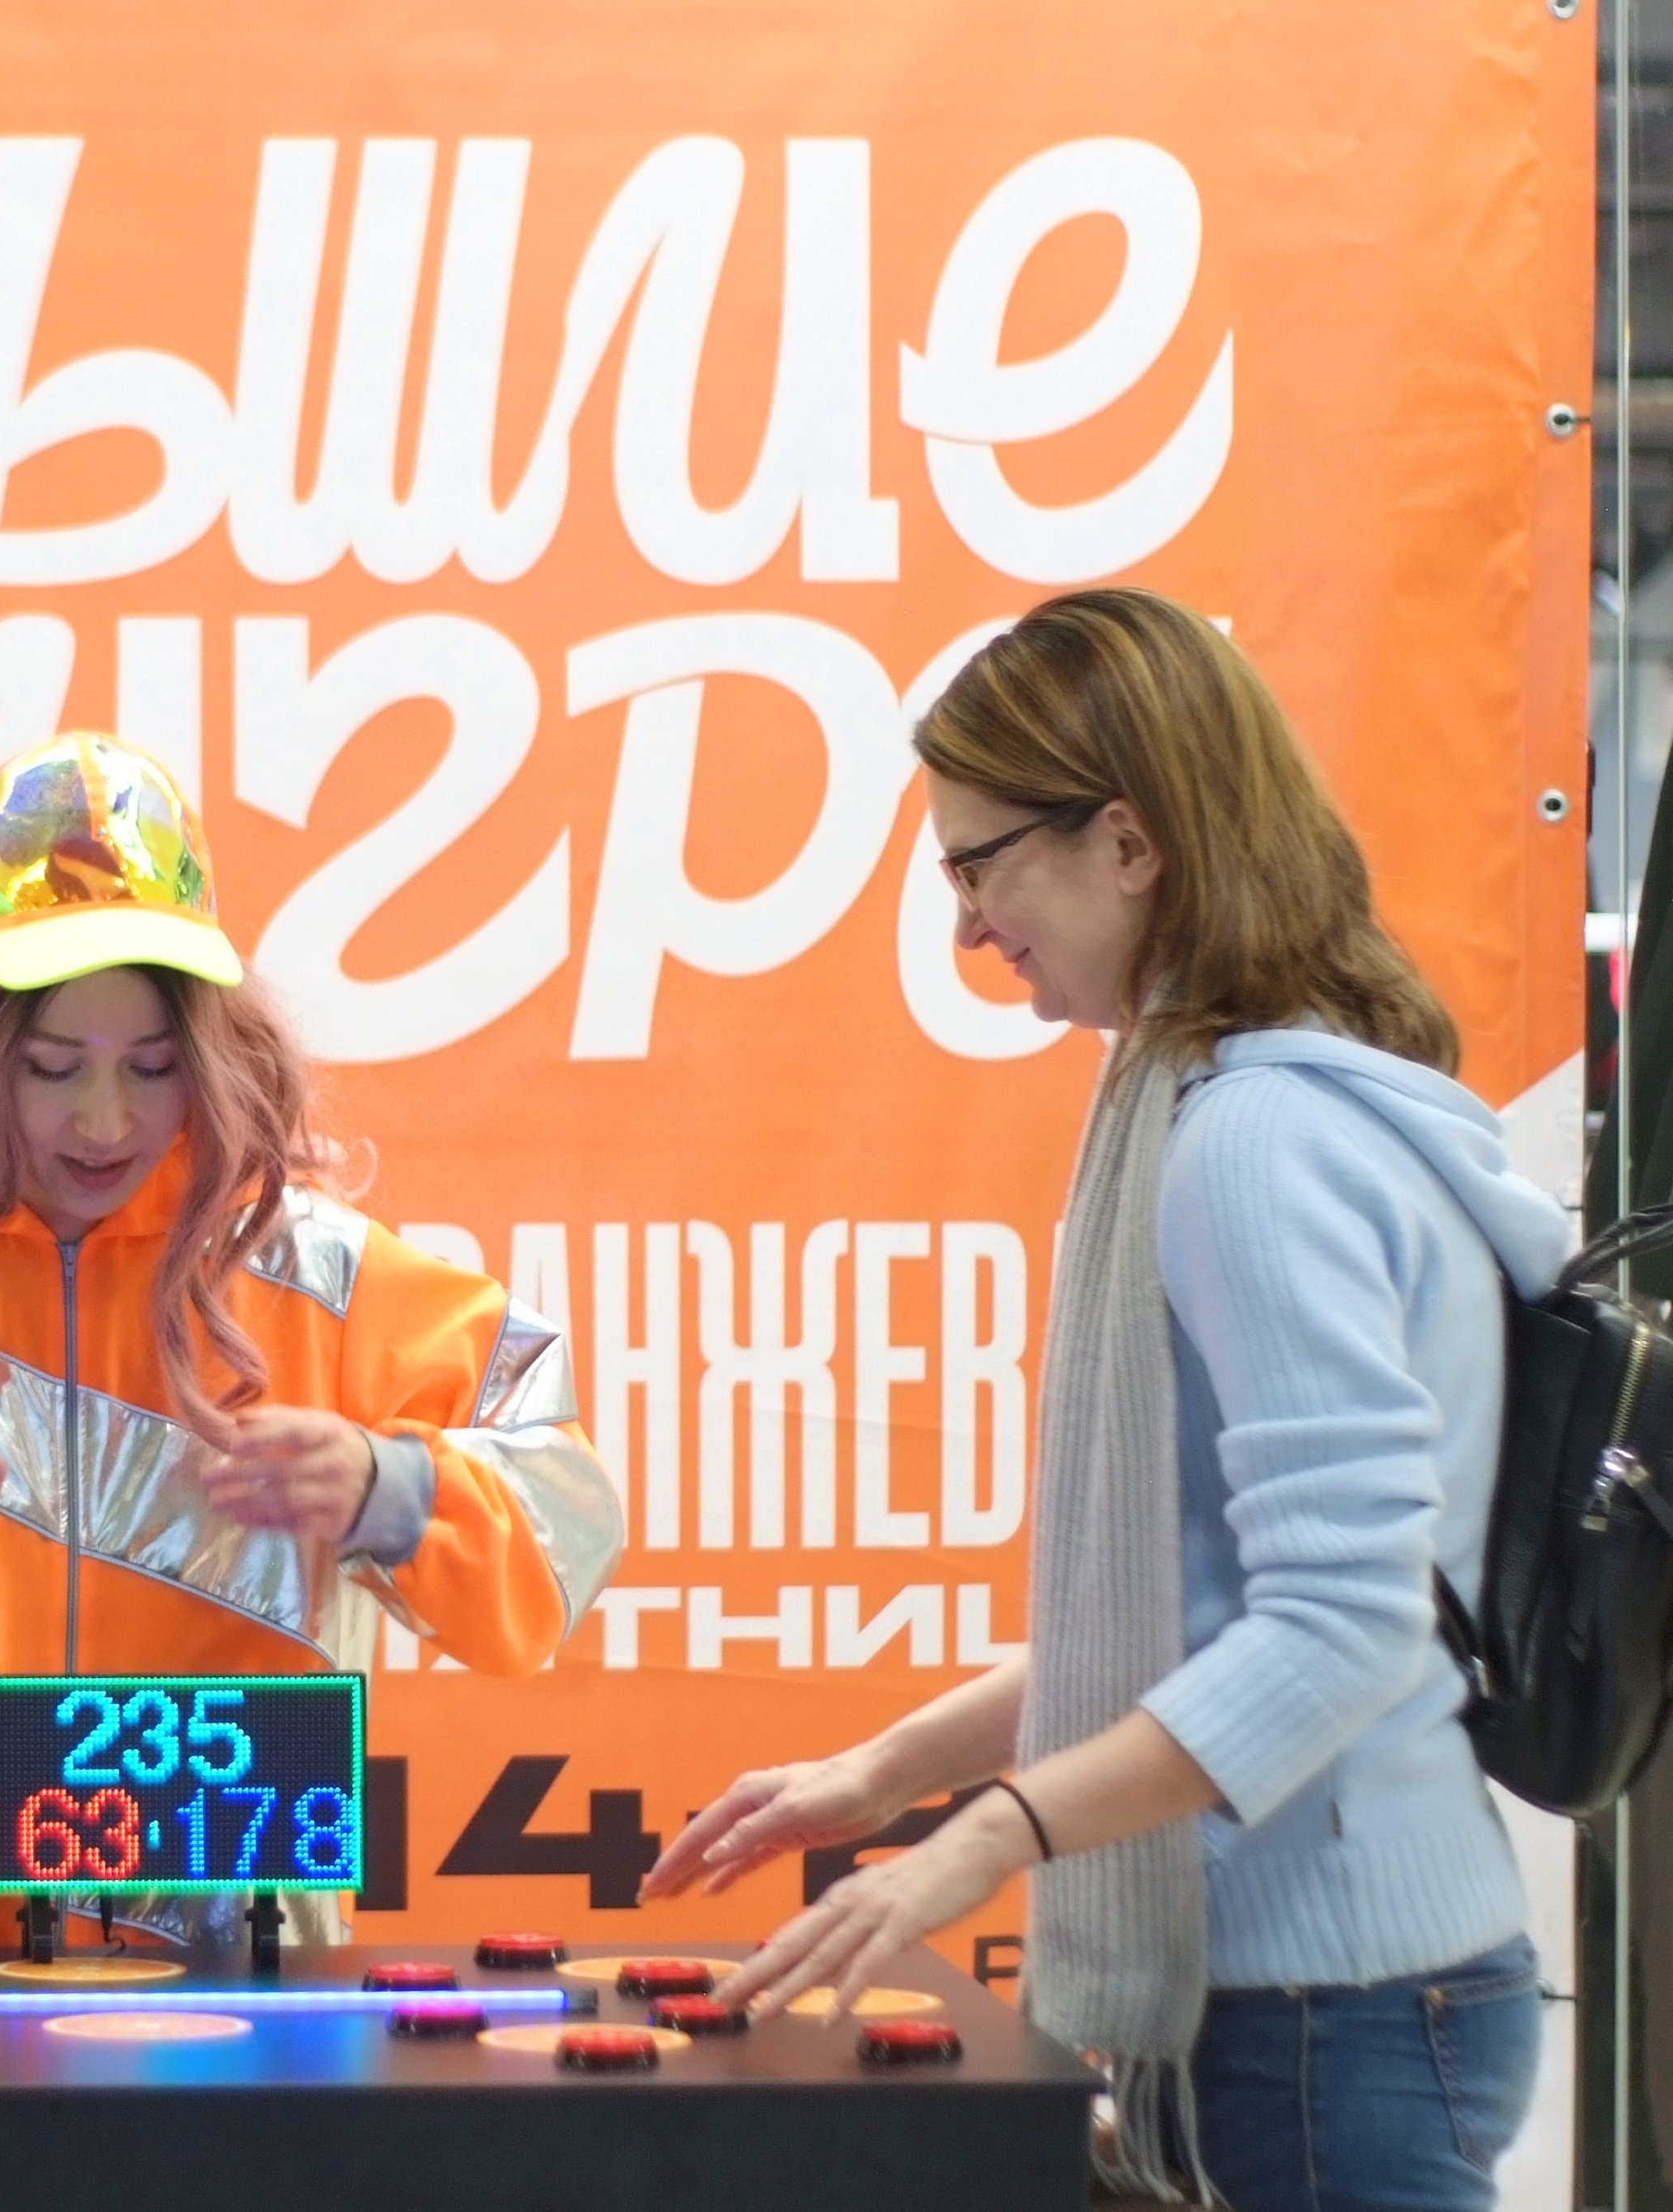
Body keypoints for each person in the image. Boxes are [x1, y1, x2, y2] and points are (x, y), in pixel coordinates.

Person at [640, 590, 1565, 2211]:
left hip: (1325, 2014)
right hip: (1342, 2002)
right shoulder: (1268, 1105)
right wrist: (883, 1774)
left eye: (977, 866)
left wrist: (990, 1832)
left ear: (1126, 842)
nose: (966, 928)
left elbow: (1336, 1624)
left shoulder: (1249, 1143)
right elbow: (1177, 1619)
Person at [0, 730, 621, 1946]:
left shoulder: (320, 1278)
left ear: (209, 1053)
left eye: (150, 1067)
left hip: (245, 2003)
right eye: (54, 1069)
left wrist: (388, 1488)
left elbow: (564, 1514)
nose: (105, 1121)